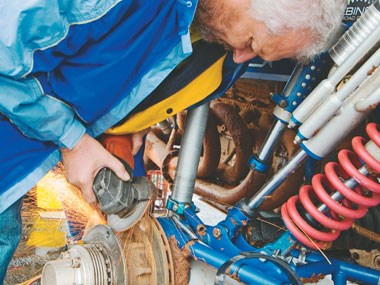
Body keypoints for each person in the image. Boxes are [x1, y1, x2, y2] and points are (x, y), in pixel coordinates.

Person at [0, 0, 345, 282]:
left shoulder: (221, 43)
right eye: (253, 42)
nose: (242, 59)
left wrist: (125, 128)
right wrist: (72, 140)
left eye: (258, 55)